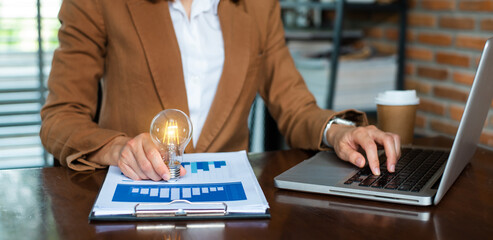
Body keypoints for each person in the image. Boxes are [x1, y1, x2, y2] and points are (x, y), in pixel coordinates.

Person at [40, 0, 401, 181]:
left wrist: (338, 131)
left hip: (231, 206)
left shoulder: (259, 7)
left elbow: (293, 105)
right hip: (134, 200)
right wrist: (116, 148)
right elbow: (60, 116)